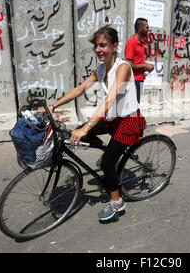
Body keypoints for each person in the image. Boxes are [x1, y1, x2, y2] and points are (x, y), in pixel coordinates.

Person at [42, 26, 146, 221]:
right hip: (112, 118)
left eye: (103, 45)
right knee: (78, 133)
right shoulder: (100, 68)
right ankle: (112, 149)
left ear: (115, 46)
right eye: (96, 45)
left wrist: (87, 126)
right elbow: (79, 89)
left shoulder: (123, 68)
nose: (98, 49)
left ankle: (117, 202)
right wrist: (52, 107)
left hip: (128, 120)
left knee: (106, 163)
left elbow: (110, 99)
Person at [125, 18, 154, 103]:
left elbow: (137, 62)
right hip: (133, 80)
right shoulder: (131, 43)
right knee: (133, 108)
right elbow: (128, 64)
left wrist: (147, 67)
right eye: (146, 27)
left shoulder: (140, 43)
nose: (148, 30)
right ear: (140, 28)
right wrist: (145, 65)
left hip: (139, 79)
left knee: (136, 105)